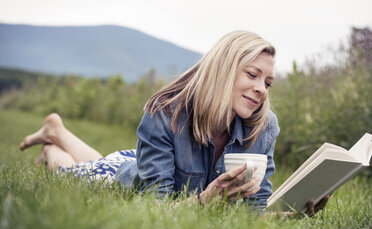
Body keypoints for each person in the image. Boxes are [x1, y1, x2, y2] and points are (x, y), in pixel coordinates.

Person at [19, 30, 329, 214]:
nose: (262, 88)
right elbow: (156, 212)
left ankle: (57, 130)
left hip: (142, 163)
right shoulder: (166, 113)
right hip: (127, 175)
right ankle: (52, 144)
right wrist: (208, 199)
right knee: (72, 172)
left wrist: (295, 212)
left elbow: (255, 208)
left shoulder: (264, 125)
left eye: (268, 82)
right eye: (252, 75)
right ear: (223, 70)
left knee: (109, 161)